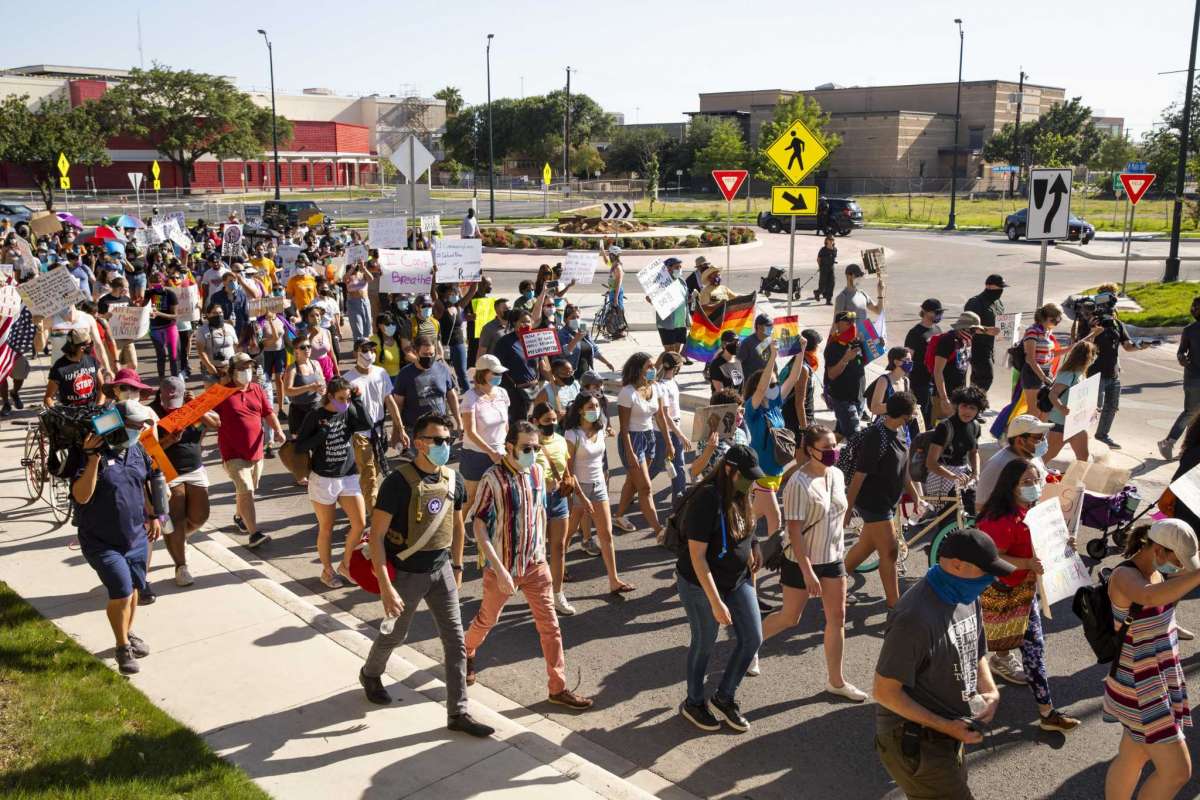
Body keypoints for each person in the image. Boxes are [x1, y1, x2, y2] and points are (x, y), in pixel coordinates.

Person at [359, 411, 494, 738]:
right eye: (437, 440)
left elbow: (458, 525)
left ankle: (458, 712)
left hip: (442, 570)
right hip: (406, 574)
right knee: (395, 634)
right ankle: (371, 672)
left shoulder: (453, 479)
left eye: (448, 440)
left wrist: (458, 565)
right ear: (419, 442)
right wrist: (386, 587)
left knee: (456, 643)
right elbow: (376, 536)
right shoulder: (397, 483)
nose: (444, 445)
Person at [463, 421, 594, 710]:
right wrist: (498, 569)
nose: (532, 453)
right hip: (503, 567)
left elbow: (539, 512)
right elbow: (479, 526)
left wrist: (544, 551)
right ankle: (466, 650)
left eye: (536, 448)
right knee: (487, 620)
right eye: (526, 448)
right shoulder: (492, 478)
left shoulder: (536, 472)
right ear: (509, 446)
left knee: (551, 627)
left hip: (535, 565)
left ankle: (557, 688)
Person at [873, 528, 1010, 799]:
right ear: (957, 565)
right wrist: (946, 726)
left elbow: (975, 648)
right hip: (916, 741)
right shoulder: (914, 617)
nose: (991, 580)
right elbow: (884, 692)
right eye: (986, 572)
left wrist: (990, 690)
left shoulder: (966, 594)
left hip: (950, 730)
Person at [973, 458, 1080, 733]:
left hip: (1024, 592)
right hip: (994, 595)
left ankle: (1047, 712)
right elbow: (990, 556)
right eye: (1026, 482)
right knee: (975, 647)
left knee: (1034, 649)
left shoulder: (1034, 512)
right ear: (1010, 486)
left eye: (1036, 481)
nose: (1034, 487)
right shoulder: (1000, 519)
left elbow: (1039, 545)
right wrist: (1025, 564)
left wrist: (1062, 542)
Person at [763, 425, 867, 702]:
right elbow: (794, 531)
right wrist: (808, 572)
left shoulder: (837, 473)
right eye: (827, 448)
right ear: (810, 450)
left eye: (835, 446)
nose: (834, 452)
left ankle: (837, 681)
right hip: (801, 561)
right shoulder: (797, 483)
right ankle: (749, 646)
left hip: (833, 559)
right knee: (790, 618)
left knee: (838, 618)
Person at [70, 399, 168, 674]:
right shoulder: (91, 454)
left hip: (136, 536)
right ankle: (122, 646)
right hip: (101, 541)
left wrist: (153, 515)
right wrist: (92, 460)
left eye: (141, 425)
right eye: (135, 426)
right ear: (116, 424)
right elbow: (81, 496)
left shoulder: (137, 449)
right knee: (122, 591)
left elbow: (147, 482)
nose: (139, 430)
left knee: (135, 588)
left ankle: (128, 630)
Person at [1104, 519, 1200, 800]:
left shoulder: (1159, 571)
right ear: (1158, 549)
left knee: (1135, 755)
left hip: (1156, 678)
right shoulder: (1125, 576)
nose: (1181, 568)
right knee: (1177, 772)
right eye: (1178, 561)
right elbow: (1147, 596)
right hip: (1140, 687)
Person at [675, 444, 765, 733]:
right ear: (729, 469)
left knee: (752, 637)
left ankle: (724, 696)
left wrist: (754, 545)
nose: (750, 482)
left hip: (737, 579)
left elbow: (746, 524)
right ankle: (694, 701)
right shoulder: (706, 498)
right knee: (705, 641)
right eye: (746, 476)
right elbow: (697, 557)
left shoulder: (742, 490)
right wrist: (715, 602)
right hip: (700, 584)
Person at [843, 392, 924, 609]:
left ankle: (836, 581)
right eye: (913, 411)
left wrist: (916, 497)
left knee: (866, 547)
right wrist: (848, 509)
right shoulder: (875, 437)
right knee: (890, 551)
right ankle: (894, 604)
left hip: (889, 501)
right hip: (873, 503)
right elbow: (859, 476)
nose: (916, 414)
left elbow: (903, 471)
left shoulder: (899, 433)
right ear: (905, 415)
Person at [295, 377, 371, 588]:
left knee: (360, 523)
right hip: (323, 479)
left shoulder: (348, 410)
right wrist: (320, 435)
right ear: (330, 396)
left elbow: (366, 424)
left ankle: (345, 564)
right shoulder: (315, 415)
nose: (344, 402)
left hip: (348, 475)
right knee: (327, 527)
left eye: (347, 398)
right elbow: (300, 447)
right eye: (341, 398)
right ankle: (327, 571)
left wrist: (357, 401)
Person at [151, 377, 218, 588]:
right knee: (176, 517)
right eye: (167, 400)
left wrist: (197, 406)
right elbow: (147, 449)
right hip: (167, 471)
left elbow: (217, 423)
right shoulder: (152, 412)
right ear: (160, 394)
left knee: (200, 515)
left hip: (194, 468)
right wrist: (169, 440)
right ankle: (181, 566)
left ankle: (176, 538)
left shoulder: (193, 405)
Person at [214, 353, 286, 548]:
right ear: (232, 371)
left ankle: (240, 516)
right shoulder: (220, 393)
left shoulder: (256, 389)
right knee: (246, 488)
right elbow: (203, 416)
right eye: (241, 368)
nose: (246, 371)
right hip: (232, 454)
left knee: (247, 490)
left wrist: (278, 431)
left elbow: (268, 412)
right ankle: (254, 534)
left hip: (256, 452)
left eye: (249, 367)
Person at [563, 391, 633, 592]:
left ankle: (614, 580)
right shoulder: (572, 434)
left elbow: (601, 460)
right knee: (569, 534)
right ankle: (557, 568)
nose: (595, 410)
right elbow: (568, 469)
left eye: (596, 406)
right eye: (590, 407)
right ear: (580, 411)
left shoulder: (600, 430)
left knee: (606, 535)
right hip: (579, 487)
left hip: (599, 485)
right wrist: (580, 495)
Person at [612, 352, 674, 540]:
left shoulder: (656, 388)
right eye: (649, 366)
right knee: (645, 487)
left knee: (633, 481)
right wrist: (630, 453)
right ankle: (659, 530)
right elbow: (623, 428)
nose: (653, 369)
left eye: (654, 366)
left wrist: (669, 442)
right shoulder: (627, 393)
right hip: (632, 439)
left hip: (649, 438)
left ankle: (619, 516)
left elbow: (661, 417)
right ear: (638, 369)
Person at [1081, 290, 1149, 449]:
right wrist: (1092, 330)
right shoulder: (1092, 323)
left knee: (1112, 406)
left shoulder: (1117, 324)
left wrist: (1141, 346)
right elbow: (1082, 345)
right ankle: (1078, 435)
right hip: (1094, 373)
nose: (1112, 312)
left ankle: (1102, 435)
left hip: (1113, 374)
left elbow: (1127, 346)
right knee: (1091, 408)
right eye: (1109, 308)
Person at [343, 339, 404, 512]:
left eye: (372, 349)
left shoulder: (381, 373)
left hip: (378, 432)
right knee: (368, 474)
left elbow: (389, 401)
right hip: (359, 434)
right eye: (364, 349)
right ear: (355, 353)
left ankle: (363, 502)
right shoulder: (348, 380)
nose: (369, 353)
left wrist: (400, 429)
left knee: (373, 472)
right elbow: (341, 409)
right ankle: (374, 516)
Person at [530, 402, 578, 615]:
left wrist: (577, 494)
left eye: (554, 420)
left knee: (558, 548)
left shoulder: (560, 440)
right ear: (535, 422)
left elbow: (566, 469)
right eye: (547, 421)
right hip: (536, 501)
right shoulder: (528, 445)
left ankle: (557, 594)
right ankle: (537, 592)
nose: (552, 424)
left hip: (558, 498)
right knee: (537, 549)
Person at [923, 385, 987, 502]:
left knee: (971, 512)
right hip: (942, 477)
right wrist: (952, 477)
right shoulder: (944, 427)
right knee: (946, 517)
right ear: (957, 406)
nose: (967, 411)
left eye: (972, 408)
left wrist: (976, 473)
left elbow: (974, 452)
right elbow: (931, 463)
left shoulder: (975, 426)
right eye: (964, 406)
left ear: (978, 410)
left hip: (963, 476)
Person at [976, 414, 1050, 510]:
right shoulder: (998, 465)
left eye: (1044, 436)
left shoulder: (1033, 456)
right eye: (1038, 438)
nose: (1043, 441)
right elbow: (981, 506)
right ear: (1020, 441)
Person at [392, 335, 460, 436]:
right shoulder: (405, 374)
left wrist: (459, 422)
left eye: (431, 354)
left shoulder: (442, 369)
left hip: (440, 428)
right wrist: (397, 431)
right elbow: (398, 405)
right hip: (415, 431)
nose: (428, 358)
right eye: (424, 354)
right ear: (415, 352)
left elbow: (451, 396)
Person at [649, 352, 693, 505]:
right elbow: (666, 416)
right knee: (657, 465)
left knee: (678, 464)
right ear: (676, 368)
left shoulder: (672, 383)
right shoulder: (662, 387)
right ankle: (637, 487)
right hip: (663, 433)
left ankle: (679, 498)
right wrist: (681, 435)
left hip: (674, 430)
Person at [1044, 340, 1098, 463]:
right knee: (1048, 455)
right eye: (1093, 354)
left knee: (1083, 457)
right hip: (1061, 423)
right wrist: (1061, 407)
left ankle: (1078, 481)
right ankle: (1034, 475)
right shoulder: (1068, 373)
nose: (1095, 358)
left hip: (1077, 423)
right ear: (1086, 356)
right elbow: (1053, 394)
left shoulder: (1081, 373)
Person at [1160, 297, 1200, 460]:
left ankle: (1188, 448)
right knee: (1191, 413)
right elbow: (1181, 351)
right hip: (1194, 378)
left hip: (1193, 378)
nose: (1195, 309)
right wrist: (1183, 360)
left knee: (1194, 415)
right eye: (1195, 307)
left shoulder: (1190, 329)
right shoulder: (1190, 330)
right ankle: (1168, 442)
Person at [495, 308, 547, 425]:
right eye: (522, 321)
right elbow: (497, 368)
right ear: (514, 323)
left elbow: (542, 365)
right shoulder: (505, 342)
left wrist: (554, 381)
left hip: (534, 389)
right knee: (520, 424)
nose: (526, 324)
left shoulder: (534, 340)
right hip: (515, 392)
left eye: (528, 321)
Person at [933, 311, 982, 423]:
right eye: (973, 330)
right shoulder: (947, 341)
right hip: (945, 396)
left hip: (959, 395)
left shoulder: (964, 339)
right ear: (964, 328)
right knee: (943, 431)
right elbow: (937, 371)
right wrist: (944, 398)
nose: (975, 333)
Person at [823, 311, 866, 438]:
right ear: (837, 325)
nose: (852, 324)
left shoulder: (857, 343)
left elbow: (862, 362)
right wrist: (845, 359)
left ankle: (825, 455)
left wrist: (876, 345)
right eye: (847, 322)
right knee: (855, 438)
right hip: (844, 399)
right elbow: (831, 374)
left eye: (853, 321)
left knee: (840, 433)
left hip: (858, 396)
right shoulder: (833, 346)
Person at [963, 274, 1008, 393]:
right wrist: (987, 330)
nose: (1000, 290)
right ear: (987, 286)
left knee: (978, 378)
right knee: (985, 377)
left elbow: (1001, 321)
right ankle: (974, 403)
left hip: (989, 346)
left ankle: (971, 402)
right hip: (976, 346)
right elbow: (967, 326)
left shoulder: (998, 303)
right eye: (997, 287)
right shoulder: (975, 302)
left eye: (1001, 288)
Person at [1020, 303, 1064, 421]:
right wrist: (1044, 378)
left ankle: (1038, 436)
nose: (1058, 322)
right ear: (1048, 317)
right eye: (1057, 318)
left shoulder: (1047, 331)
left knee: (1045, 408)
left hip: (1046, 372)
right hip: (1033, 374)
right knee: (1033, 410)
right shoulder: (1032, 331)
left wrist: (1072, 347)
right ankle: (1022, 436)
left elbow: (1051, 354)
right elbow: (1030, 358)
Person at [904, 298, 944, 428]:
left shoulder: (937, 329)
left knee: (933, 416)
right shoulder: (915, 333)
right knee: (921, 418)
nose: (939, 315)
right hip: (919, 382)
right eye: (936, 312)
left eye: (940, 312)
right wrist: (907, 386)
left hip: (934, 380)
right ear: (926, 312)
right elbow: (907, 360)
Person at [282, 330, 327, 440]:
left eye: (309, 346)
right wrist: (309, 387)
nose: (307, 349)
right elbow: (287, 391)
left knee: (319, 445)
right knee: (300, 450)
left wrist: (323, 389)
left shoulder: (316, 363)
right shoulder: (292, 368)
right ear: (296, 350)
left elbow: (323, 383)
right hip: (299, 411)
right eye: (303, 347)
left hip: (316, 408)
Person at [44, 330, 102, 407]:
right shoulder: (59, 368)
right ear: (82, 348)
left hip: (92, 410)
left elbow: (101, 387)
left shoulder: (92, 360)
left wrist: (99, 406)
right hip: (70, 413)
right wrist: (59, 414)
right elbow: (48, 397)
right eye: (90, 344)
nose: (92, 346)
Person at [145, 270, 180, 379]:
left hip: (169, 328)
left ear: (164, 281)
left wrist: (159, 313)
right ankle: (162, 382)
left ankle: (175, 380)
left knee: (173, 357)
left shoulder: (170, 294)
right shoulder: (149, 293)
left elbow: (175, 316)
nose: (156, 284)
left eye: (159, 281)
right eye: (153, 281)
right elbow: (143, 310)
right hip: (155, 329)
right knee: (160, 357)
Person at [651, 257, 689, 354]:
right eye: (677, 267)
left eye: (680, 267)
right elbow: (650, 298)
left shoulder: (682, 281)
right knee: (669, 352)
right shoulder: (661, 282)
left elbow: (685, 299)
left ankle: (672, 369)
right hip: (667, 323)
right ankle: (656, 368)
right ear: (668, 268)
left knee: (676, 352)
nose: (679, 269)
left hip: (681, 322)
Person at [867, 347, 913, 418]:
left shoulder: (906, 381)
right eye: (907, 360)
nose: (910, 363)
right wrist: (897, 405)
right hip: (884, 424)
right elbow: (874, 408)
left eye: (911, 360)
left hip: (900, 425)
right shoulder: (884, 380)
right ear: (896, 362)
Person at [197, 309, 238, 384]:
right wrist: (210, 367)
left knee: (229, 393)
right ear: (208, 314)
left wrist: (236, 364)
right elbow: (201, 351)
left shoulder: (229, 327)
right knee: (213, 394)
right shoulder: (202, 330)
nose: (218, 315)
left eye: (220, 312)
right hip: (212, 370)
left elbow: (236, 346)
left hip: (229, 369)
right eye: (214, 313)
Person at [705, 330, 744, 398]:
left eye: (738, 341)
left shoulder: (738, 362)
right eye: (733, 341)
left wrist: (741, 403)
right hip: (723, 407)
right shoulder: (716, 365)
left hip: (737, 405)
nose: (737, 344)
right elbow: (721, 392)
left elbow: (741, 388)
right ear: (724, 344)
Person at [737, 314, 776, 380]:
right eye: (768, 326)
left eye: (772, 325)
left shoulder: (770, 341)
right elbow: (738, 364)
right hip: (751, 384)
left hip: (767, 381)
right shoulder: (747, 343)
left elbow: (772, 361)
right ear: (759, 326)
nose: (771, 328)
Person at [343, 260, 373, 342]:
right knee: (357, 326)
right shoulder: (348, 277)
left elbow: (371, 278)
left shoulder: (363, 274)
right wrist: (352, 269)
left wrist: (364, 268)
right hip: (353, 303)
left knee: (367, 325)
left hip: (365, 302)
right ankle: (358, 347)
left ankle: (367, 346)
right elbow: (344, 279)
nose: (356, 266)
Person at [372, 312, 405, 379]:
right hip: (380, 379)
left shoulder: (399, 340)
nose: (391, 326)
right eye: (387, 324)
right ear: (379, 325)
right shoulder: (373, 341)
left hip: (398, 378)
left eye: (393, 324)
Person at [815, 235, 837, 304]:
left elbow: (833, 258)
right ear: (826, 241)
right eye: (830, 240)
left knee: (832, 284)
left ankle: (828, 300)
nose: (831, 241)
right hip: (824, 269)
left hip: (831, 269)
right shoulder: (823, 250)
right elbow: (818, 259)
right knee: (822, 285)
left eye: (832, 240)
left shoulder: (835, 249)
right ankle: (817, 293)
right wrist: (820, 267)